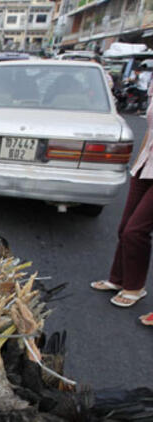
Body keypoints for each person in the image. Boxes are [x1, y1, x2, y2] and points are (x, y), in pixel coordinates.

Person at [91, 79, 153, 316]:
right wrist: (138, 163)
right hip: (146, 166)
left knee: (135, 231)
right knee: (124, 227)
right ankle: (118, 279)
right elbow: (150, 129)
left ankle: (135, 287)